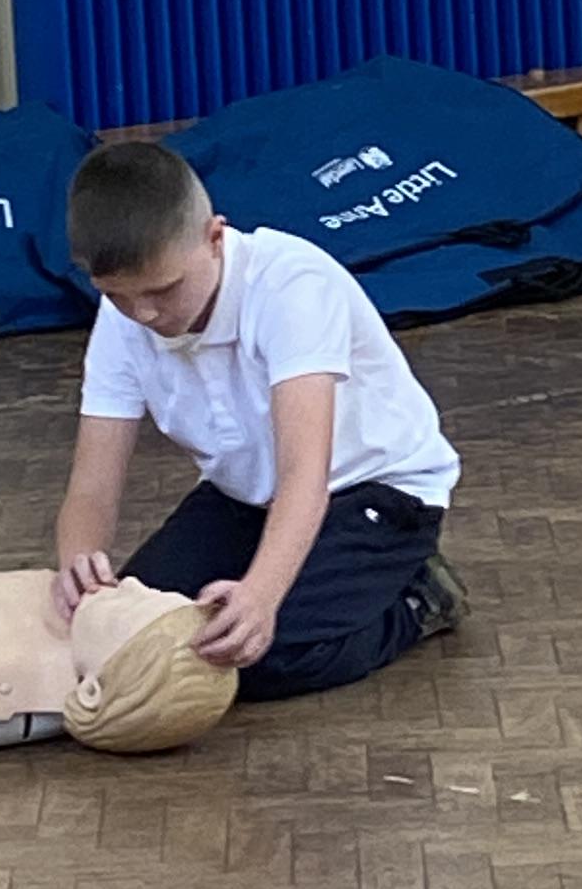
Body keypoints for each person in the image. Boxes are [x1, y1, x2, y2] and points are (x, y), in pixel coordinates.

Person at [50, 136, 464, 699]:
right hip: (248, 496)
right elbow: (92, 486)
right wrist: (79, 567)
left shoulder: (292, 287)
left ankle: (420, 598)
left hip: (376, 490)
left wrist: (262, 596)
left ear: (214, 237)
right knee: (143, 630)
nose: (143, 313)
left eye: (163, 289)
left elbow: (305, 473)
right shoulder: (124, 317)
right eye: (118, 295)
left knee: (257, 651)